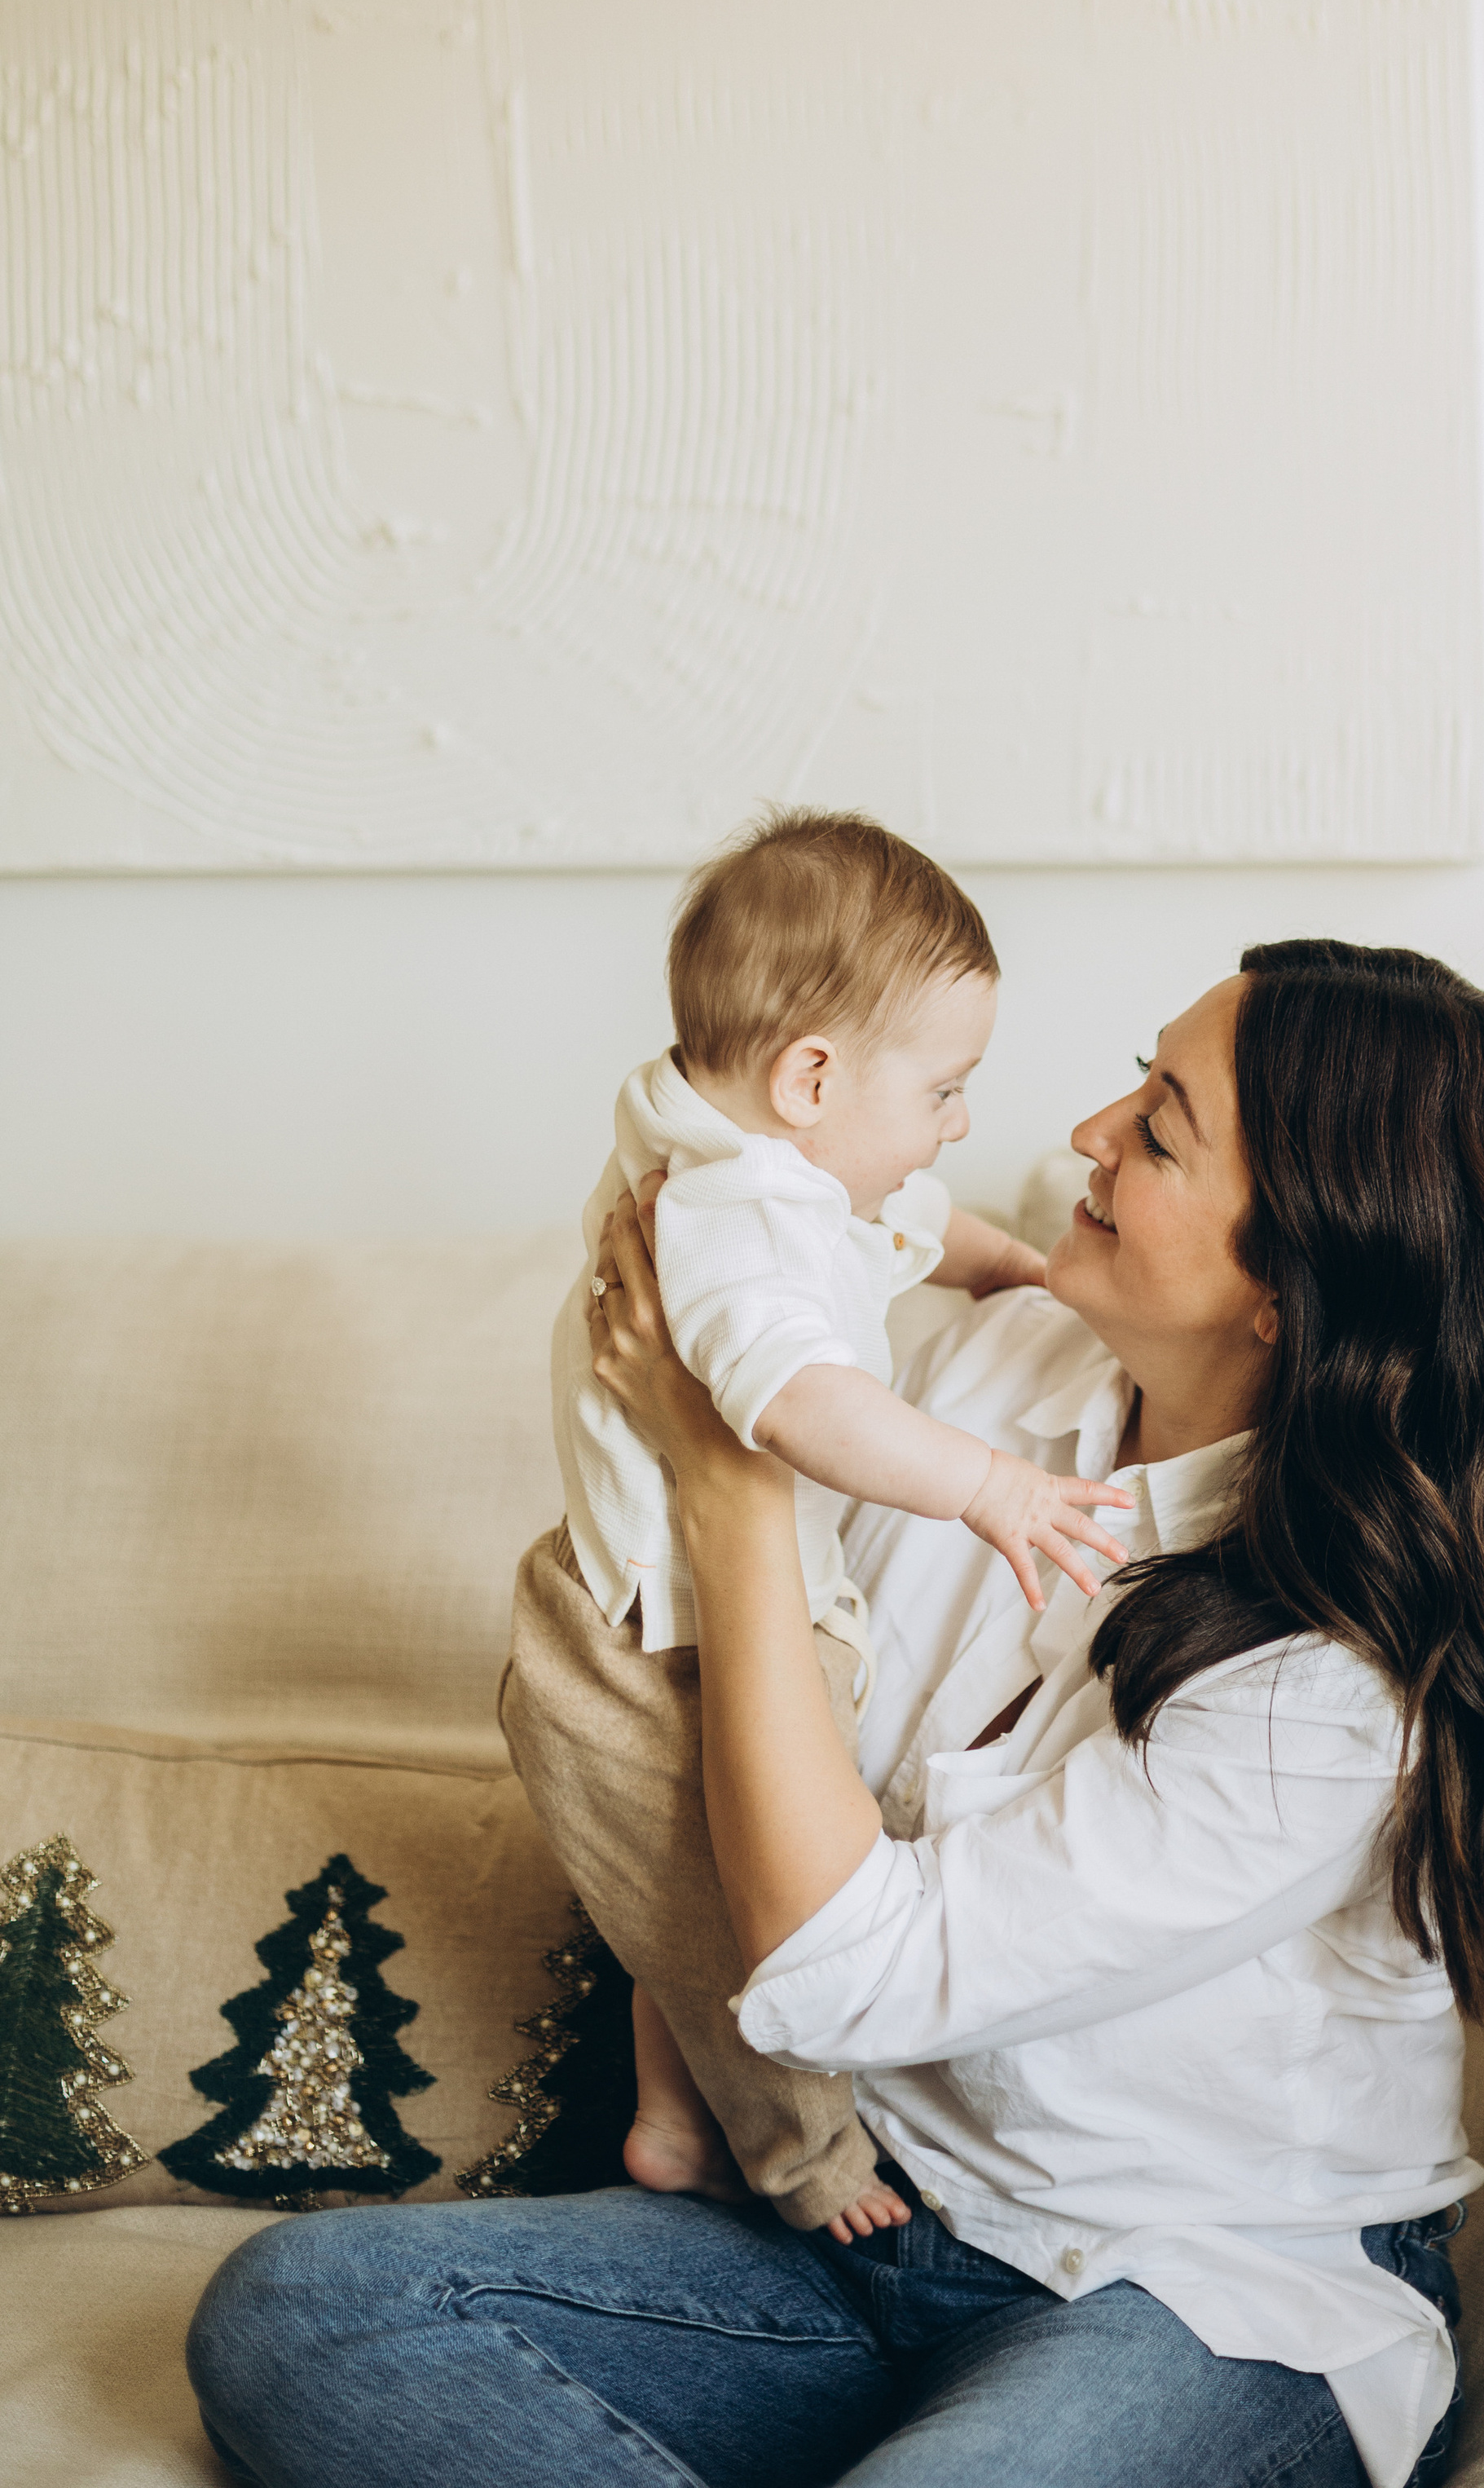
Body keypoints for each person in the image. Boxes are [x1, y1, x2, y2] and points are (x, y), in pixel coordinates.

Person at [188, 942, 1484, 2488]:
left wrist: (728, 1485)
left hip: (1195, 2291)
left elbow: (836, 1973)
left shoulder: (1335, 1693)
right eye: (1139, 1080)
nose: (1090, 1127)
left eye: (1157, 1129)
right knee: (302, 2318)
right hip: (868, 2226)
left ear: (1292, 1291)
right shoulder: (1003, 1365)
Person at [508, 807, 1131, 2242]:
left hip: (650, 1600)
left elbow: (912, 1219)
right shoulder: (738, 1222)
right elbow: (794, 1406)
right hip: (658, 1636)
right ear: (812, 1078)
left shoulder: (759, 1151)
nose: (963, 1123)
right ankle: (809, 2163)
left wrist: (1010, 1266)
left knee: (676, 1888)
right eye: (946, 1088)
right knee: (720, 1904)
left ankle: (667, 2121)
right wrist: (988, 1486)